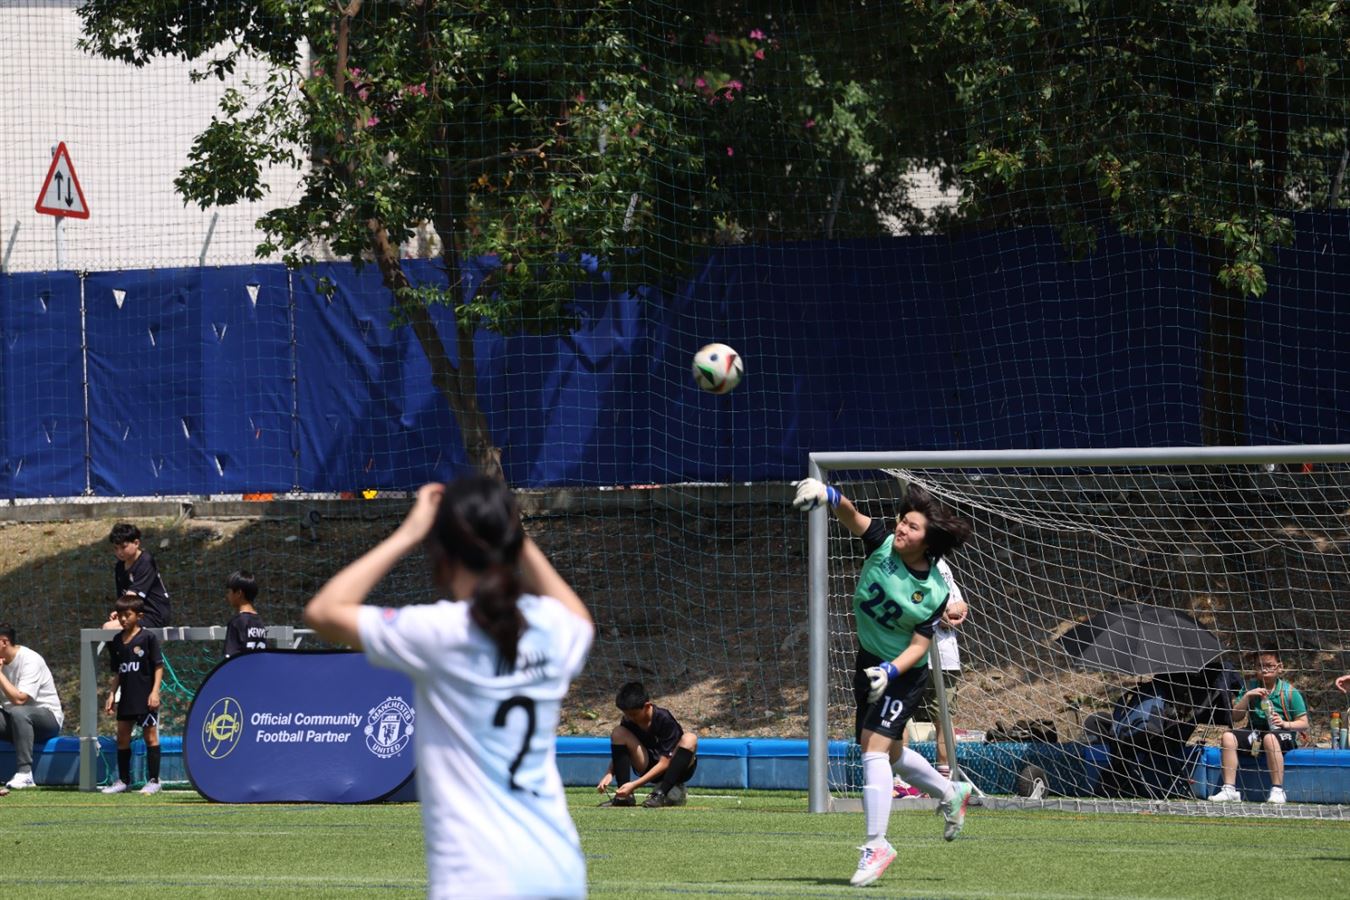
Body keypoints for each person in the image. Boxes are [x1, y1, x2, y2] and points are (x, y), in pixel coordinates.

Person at [303, 478, 594, 900]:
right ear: (512, 543)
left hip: (479, 877)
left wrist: (408, 532)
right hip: (558, 868)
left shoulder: (443, 632)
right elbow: (580, 619)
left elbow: (324, 611)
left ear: (441, 553)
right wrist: (512, 531)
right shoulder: (552, 625)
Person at [793, 477, 975, 888]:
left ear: (928, 542)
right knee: (886, 753)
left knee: (873, 750)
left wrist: (890, 672)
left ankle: (877, 844)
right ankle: (950, 794)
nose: (902, 528)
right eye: (903, 520)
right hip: (868, 661)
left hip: (903, 674)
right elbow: (852, 516)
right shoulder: (882, 544)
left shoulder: (934, 591)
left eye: (912, 526)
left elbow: (919, 646)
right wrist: (828, 495)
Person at [900, 558, 968, 791]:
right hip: (910, 654)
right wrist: (939, 614)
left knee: (943, 720)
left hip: (945, 657)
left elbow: (960, 604)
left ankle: (943, 783)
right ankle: (901, 781)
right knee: (898, 717)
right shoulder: (900, 562)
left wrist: (952, 613)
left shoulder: (942, 564)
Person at [1207, 650, 1308, 804]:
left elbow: (1304, 723)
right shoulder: (1250, 687)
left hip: (1282, 734)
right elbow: (1235, 717)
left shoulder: (1289, 692)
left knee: (1270, 738)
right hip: (1256, 734)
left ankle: (1277, 790)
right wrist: (1247, 697)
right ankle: (1229, 789)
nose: (1264, 670)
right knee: (1228, 737)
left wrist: (1284, 723)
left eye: (1269, 666)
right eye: (1260, 666)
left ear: (1280, 667)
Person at [596, 681, 699, 808]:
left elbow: (665, 762)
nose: (630, 718)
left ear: (647, 706)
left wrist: (635, 784)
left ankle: (660, 794)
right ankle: (624, 797)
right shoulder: (629, 720)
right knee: (618, 732)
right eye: (626, 714)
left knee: (690, 738)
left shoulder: (664, 719)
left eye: (634, 714)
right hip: (649, 766)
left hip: (675, 768)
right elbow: (621, 752)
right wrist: (609, 773)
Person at [102, 595, 165, 794]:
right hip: (127, 698)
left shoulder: (147, 638)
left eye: (127, 615)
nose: (123, 619)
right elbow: (119, 672)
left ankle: (154, 780)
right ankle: (123, 781)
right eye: (120, 615)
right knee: (122, 737)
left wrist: (155, 692)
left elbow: (158, 666)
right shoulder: (116, 640)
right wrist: (112, 694)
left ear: (139, 616)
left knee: (150, 736)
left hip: (145, 697)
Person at [0, 624, 65, 789]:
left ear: (4, 642)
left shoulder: (30, 660)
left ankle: (25, 774)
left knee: (19, 712)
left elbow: (20, 699)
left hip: (46, 721)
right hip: (13, 721)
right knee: (16, 714)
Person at [107, 522, 171, 628]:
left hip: (154, 614)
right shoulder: (120, 566)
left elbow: (131, 595)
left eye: (123, 547)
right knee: (109, 627)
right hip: (133, 614)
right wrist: (119, 611)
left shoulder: (146, 561)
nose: (119, 552)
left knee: (110, 628)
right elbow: (122, 596)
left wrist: (121, 610)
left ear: (136, 543)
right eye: (116, 548)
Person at [223, 570, 267, 659]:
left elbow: (230, 657)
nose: (227, 595)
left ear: (239, 593)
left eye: (229, 592)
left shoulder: (236, 622)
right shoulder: (260, 622)